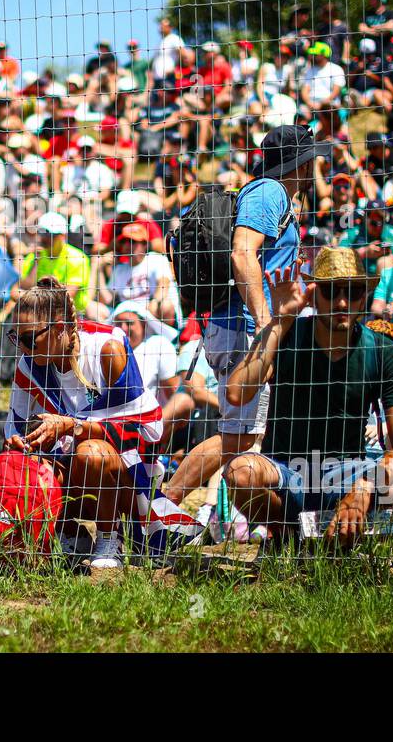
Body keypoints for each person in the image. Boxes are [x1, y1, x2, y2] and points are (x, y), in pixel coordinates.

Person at [217, 248, 393, 546]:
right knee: (240, 473)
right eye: (331, 290)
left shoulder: (384, 351)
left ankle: (386, 547)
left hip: (352, 472)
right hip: (286, 469)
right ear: (314, 293)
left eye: (353, 291)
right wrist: (279, 322)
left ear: (366, 296)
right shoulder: (289, 334)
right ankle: (289, 535)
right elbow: (237, 393)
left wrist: (368, 486)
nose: (342, 302)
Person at [164, 125, 325, 508]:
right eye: (311, 159)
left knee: (248, 435)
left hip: (244, 326)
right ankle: (162, 507)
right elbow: (242, 253)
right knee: (237, 436)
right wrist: (265, 320)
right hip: (244, 327)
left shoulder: (277, 196)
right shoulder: (269, 191)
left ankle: (231, 518)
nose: (315, 167)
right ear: (299, 164)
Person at [4, 278, 165, 569]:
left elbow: (147, 429)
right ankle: (71, 532)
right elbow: (14, 428)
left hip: (128, 482)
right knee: (29, 463)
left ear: (59, 326)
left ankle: (110, 536)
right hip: (76, 478)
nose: (23, 348)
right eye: (17, 338)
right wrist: (20, 442)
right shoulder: (29, 366)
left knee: (91, 452)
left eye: (30, 339)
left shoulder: (108, 349)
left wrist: (72, 427)